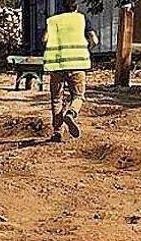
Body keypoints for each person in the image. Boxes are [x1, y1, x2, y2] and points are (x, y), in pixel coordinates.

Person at [44, 0, 99, 142]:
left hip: (57, 66)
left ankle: (57, 131)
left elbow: (45, 39)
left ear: (61, 6)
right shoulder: (81, 18)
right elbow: (94, 40)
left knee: (56, 99)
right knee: (78, 96)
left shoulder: (53, 20)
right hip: (77, 64)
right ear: (76, 6)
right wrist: (87, 48)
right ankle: (71, 113)